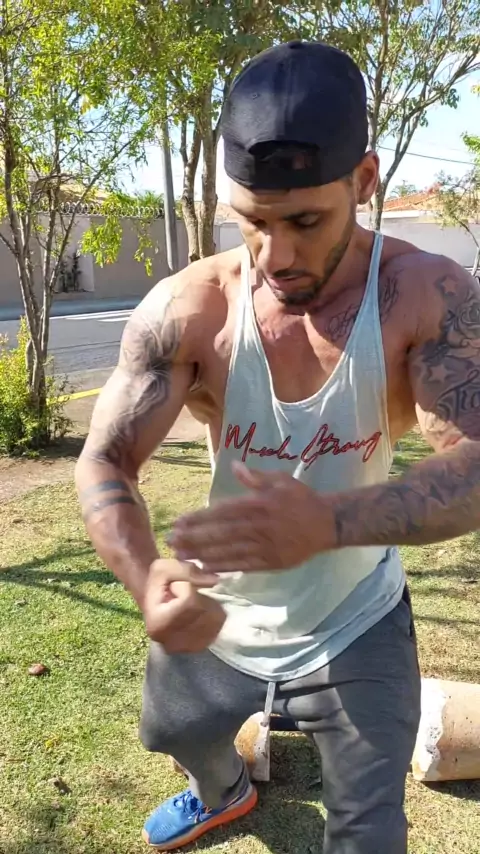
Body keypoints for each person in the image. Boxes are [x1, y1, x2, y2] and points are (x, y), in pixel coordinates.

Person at [75, 40, 480, 854]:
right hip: (218, 609)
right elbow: (106, 459)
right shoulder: (191, 307)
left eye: (305, 221)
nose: (276, 255)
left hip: (355, 614)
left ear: (364, 181)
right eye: (253, 221)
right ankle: (223, 789)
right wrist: (146, 576)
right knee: (168, 730)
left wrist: (329, 523)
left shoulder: (424, 295)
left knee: (368, 831)